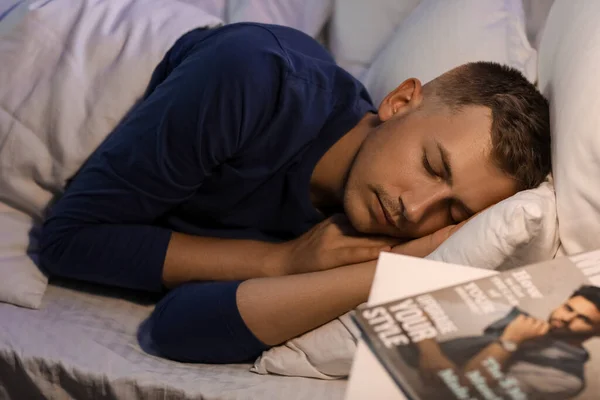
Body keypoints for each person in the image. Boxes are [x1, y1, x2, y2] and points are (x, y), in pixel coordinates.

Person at [39, 23, 551, 363]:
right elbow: (65, 242)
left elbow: (172, 330)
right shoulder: (257, 78)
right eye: (431, 165)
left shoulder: (362, 226)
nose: (414, 209)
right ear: (399, 102)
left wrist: (382, 271)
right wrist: (283, 261)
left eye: (452, 211)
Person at [412, 285, 600, 399]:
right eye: (568, 308)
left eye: (584, 319)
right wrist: (430, 352)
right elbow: (418, 311)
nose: (567, 318)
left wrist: (511, 341)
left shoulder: (567, 377)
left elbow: (467, 389)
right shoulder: (510, 315)